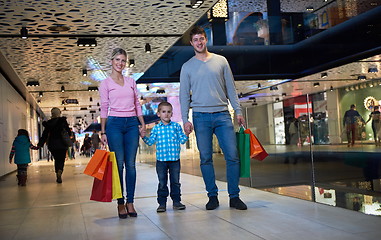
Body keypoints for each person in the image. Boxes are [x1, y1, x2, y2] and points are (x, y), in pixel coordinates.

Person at [179, 26, 247, 210]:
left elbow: (231, 89)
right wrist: (185, 118)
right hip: (200, 117)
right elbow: (184, 95)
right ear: (191, 43)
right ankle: (213, 196)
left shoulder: (221, 61)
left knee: (233, 157)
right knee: (205, 158)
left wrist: (238, 111)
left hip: (223, 115)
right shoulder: (187, 67)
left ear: (205, 39)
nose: (199, 42)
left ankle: (234, 196)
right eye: (195, 40)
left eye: (201, 39)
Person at [100, 48, 146, 219]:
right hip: (114, 125)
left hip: (132, 123)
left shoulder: (131, 81)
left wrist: (142, 123)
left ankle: (130, 202)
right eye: (117, 60)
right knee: (118, 165)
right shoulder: (105, 83)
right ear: (111, 61)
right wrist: (103, 131)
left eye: (123, 60)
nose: (120, 63)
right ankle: (120, 203)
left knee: (131, 165)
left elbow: (137, 103)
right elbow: (104, 108)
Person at [141, 102, 189, 213]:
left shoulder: (176, 126)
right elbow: (150, 142)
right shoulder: (156, 129)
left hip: (174, 160)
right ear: (158, 114)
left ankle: (176, 202)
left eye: (168, 112)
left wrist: (187, 134)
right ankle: (162, 203)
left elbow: (182, 140)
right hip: (161, 161)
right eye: (163, 112)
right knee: (162, 182)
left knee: (175, 182)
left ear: (172, 113)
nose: (166, 114)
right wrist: (144, 137)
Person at [38, 107, 71, 183]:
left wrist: (40, 144)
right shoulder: (62, 121)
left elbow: (44, 135)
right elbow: (68, 132)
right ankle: (60, 170)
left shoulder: (49, 123)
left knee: (56, 159)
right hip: (62, 144)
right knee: (61, 159)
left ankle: (57, 172)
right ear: (59, 113)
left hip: (52, 145)